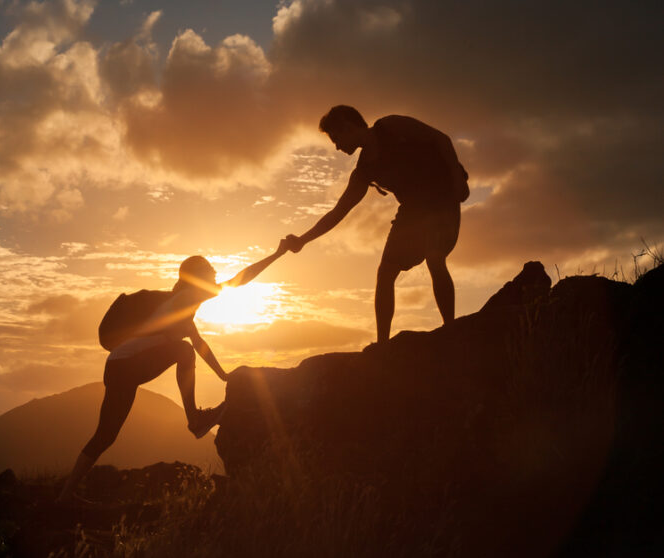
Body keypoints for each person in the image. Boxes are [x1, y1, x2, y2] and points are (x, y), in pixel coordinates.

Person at [57, 241, 288, 503]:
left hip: (120, 366)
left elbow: (200, 344)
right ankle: (195, 421)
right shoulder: (188, 297)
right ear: (197, 277)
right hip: (126, 366)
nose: (215, 274)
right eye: (210, 269)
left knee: (105, 435)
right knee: (182, 352)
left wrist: (223, 375)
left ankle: (65, 496)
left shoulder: (181, 308)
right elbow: (239, 280)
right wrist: (277, 254)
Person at [284, 106, 469, 345]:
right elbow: (338, 212)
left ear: (348, 127)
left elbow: (440, 139)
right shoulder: (363, 172)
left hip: (442, 198)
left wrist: (456, 177)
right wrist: (302, 240)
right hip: (412, 212)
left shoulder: (392, 126)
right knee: (386, 272)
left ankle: (450, 330)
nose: (337, 146)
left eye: (337, 138)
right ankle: (383, 345)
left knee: (434, 257)